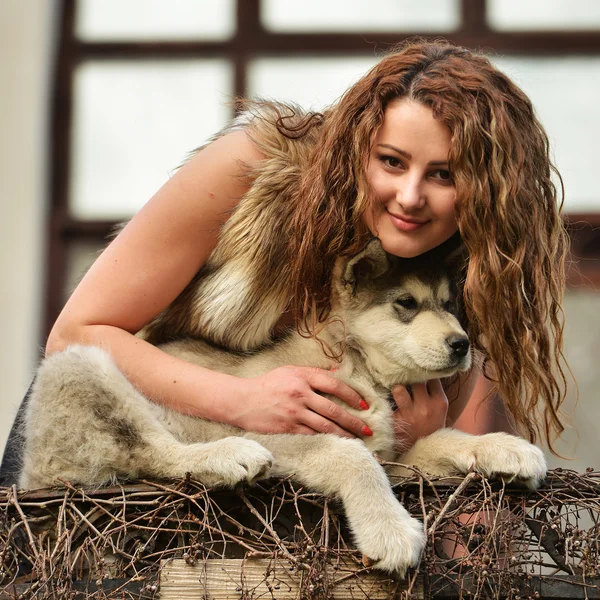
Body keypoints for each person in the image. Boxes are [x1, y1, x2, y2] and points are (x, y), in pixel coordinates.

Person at [0, 39, 569, 486]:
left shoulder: (464, 272)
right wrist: (245, 400)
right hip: (111, 442)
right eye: (391, 162)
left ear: (487, 192)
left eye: (443, 174)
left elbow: (429, 493)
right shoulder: (255, 167)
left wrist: (419, 437)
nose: (411, 195)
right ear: (357, 147)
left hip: (254, 510)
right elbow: (75, 337)